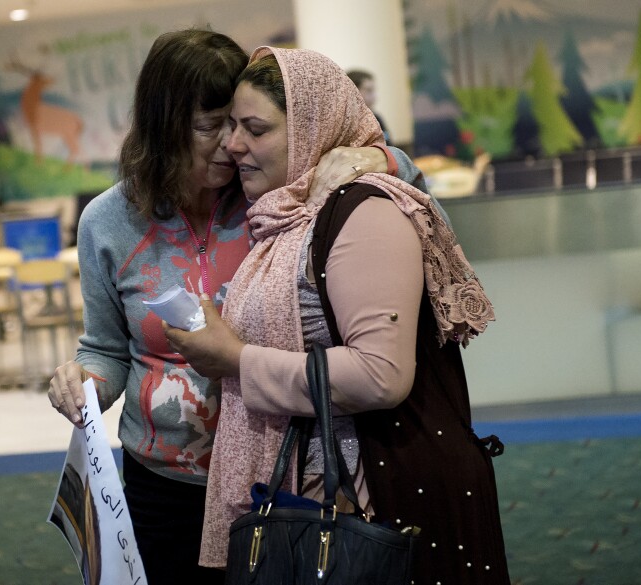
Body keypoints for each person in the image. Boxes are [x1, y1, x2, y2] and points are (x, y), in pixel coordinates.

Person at [45, 30, 429, 584]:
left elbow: (411, 195)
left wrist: (379, 155)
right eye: (209, 126)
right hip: (160, 484)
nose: (229, 144)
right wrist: (80, 383)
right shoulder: (107, 223)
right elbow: (106, 349)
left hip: (271, 470)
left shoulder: (274, 194)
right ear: (163, 126)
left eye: (237, 124)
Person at [165, 47, 510, 583]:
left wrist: (236, 359)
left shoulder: (362, 211)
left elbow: (380, 376)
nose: (233, 145)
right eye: (229, 126)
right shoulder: (285, 215)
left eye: (255, 128)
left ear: (314, 129)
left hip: (378, 496)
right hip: (324, 490)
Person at [347, 68, 392, 145]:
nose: (375, 96)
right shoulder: (346, 124)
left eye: (374, 90)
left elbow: (389, 146)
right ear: (353, 92)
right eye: (369, 90)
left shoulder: (377, 118)